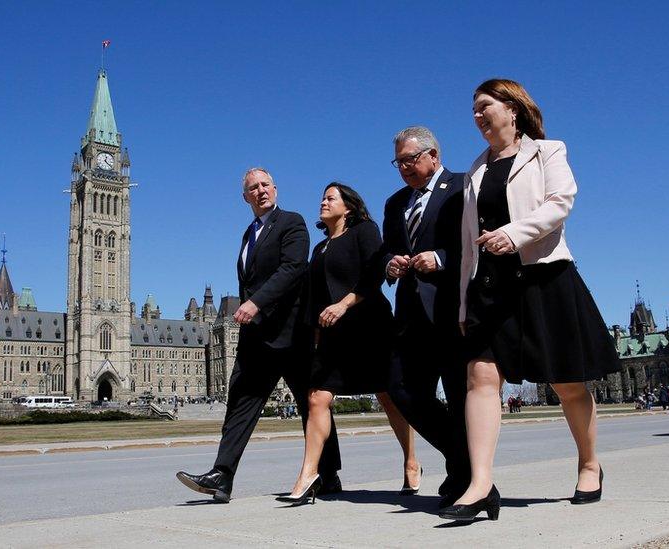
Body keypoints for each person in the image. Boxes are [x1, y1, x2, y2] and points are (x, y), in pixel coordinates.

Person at [440, 79, 621, 522]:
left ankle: (589, 463)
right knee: (480, 377)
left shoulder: (548, 151)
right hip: (490, 286)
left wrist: (513, 233)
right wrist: (464, 302)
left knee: (567, 383)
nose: (477, 116)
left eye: (485, 106)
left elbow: (561, 202)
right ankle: (481, 484)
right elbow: (467, 245)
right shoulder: (475, 172)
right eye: (473, 110)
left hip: (544, 279)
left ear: (513, 109)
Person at [176, 167, 342, 503]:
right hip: (257, 337)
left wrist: (255, 303)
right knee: (240, 402)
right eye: (254, 187)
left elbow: (292, 269)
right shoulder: (247, 234)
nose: (261, 191)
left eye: (266, 185)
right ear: (245, 197)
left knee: (310, 404)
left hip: (291, 333)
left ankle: (328, 474)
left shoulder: (292, 223)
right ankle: (222, 476)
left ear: (276, 189)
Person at [278, 182, 410, 504]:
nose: (323, 202)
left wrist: (344, 304)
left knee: (389, 397)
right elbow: (314, 296)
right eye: (322, 196)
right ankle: (308, 474)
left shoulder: (364, 230)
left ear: (347, 206)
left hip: (369, 326)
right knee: (316, 399)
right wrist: (315, 335)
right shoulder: (320, 249)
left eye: (330, 197)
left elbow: (374, 275)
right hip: (333, 335)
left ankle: (411, 462)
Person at [382, 126, 470, 507]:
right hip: (410, 313)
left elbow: (475, 244)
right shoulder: (395, 203)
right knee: (401, 388)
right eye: (398, 162)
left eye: (409, 160)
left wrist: (442, 258)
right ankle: (462, 458)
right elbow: (386, 251)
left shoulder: (464, 186)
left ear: (433, 155)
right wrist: (391, 264)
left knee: (458, 394)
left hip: (452, 310)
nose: (403, 168)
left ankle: (465, 480)